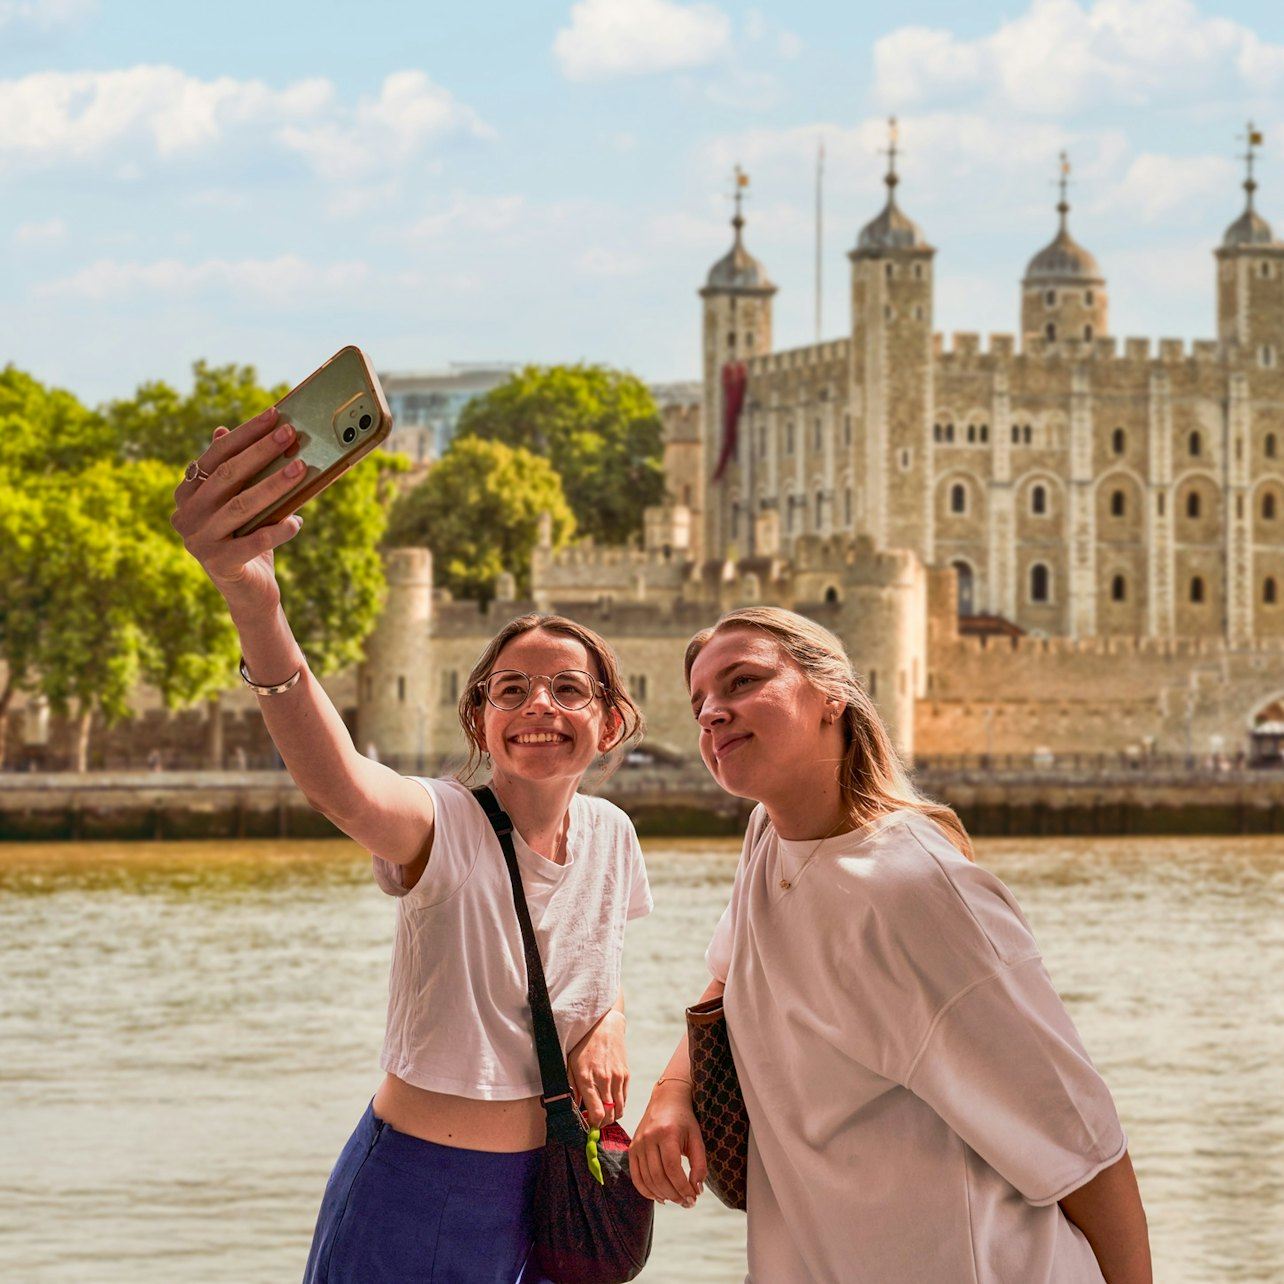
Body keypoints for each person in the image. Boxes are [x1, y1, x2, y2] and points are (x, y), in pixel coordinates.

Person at [171, 406, 653, 1282]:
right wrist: (255, 600)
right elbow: (341, 784)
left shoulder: (615, 836)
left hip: (557, 1191)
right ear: (480, 719)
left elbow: (593, 974)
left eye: (568, 689)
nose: (539, 704)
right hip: (421, 1188)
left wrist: (611, 1027)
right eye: (512, 689)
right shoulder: (442, 821)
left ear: (612, 722)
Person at [631, 607, 1152, 1283]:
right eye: (700, 699)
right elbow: (729, 983)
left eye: (742, 682)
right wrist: (672, 1093)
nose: (711, 713)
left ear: (832, 697)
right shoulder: (770, 835)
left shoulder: (920, 895)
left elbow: (1084, 1144)